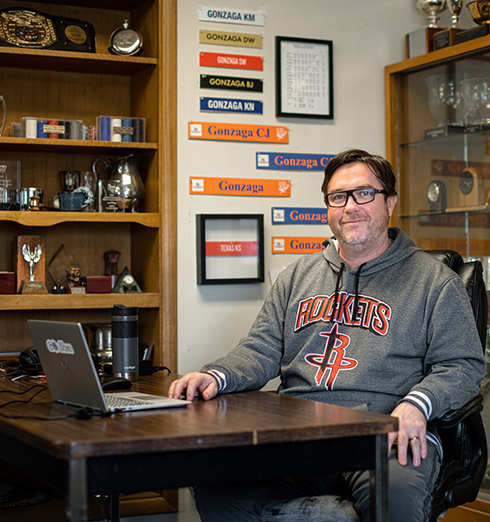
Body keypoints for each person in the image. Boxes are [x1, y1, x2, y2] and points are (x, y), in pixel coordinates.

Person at [168, 148, 487, 522]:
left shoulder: (435, 283)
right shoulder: (296, 277)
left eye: (364, 193)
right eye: (338, 197)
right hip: (299, 434)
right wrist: (214, 375)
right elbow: (260, 350)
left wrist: (418, 404)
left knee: (394, 498)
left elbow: (462, 366)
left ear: (390, 202)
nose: (350, 206)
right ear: (328, 208)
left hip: (384, 434)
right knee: (218, 487)